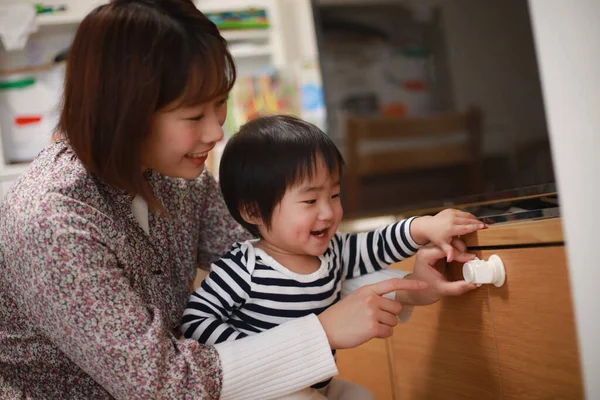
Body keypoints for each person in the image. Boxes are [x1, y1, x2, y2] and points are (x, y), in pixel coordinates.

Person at [0, 1, 476, 399]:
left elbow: (287, 260)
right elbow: (161, 384)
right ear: (123, 112)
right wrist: (324, 333)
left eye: (219, 105)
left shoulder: (175, 177)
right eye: (193, 115)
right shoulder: (51, 221)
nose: (216, 131)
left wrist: (405, 286)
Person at [182, 115, 485, 399]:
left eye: (335, 195)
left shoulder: (333, 251)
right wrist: (253, 353)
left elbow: (376, 245)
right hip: (269, 389)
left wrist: (423, 227)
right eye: (311, 200)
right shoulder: (244, 267)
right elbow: (195, 320)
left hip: (317, 382)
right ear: (254, 211)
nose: (328, 212)